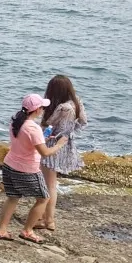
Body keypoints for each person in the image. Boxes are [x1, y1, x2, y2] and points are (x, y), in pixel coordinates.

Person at [0, 94, 68, 243]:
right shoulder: (33, 128)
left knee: (13, 197)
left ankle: (1, 230)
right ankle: (27, 230)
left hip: (9, 165)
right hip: (26, 169)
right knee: (43, 198)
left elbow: (25, 141)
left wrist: (43, 139)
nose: (42, 110)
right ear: (36, 110)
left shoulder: (15, 122)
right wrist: (59, 144)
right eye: (41, 107)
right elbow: (45, 153)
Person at [39, 75, 88, 231]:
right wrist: (69, 133)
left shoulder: (62, 108)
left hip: (53, 144)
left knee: (48, 184)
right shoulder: (76, 103)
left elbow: (47, 123)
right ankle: (48, 219)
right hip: (66, 144)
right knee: (52, 183)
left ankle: (48, 220)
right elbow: (83, 122)